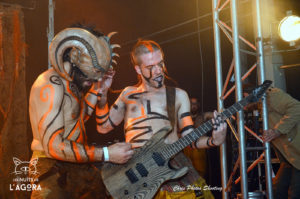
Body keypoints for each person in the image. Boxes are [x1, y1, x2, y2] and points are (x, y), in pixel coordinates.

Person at [96, 39, 227, 198]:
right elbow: (103, 127)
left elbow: (190, 139)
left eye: (160, 64)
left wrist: (214, 141)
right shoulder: (127, 94)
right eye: (151, 67)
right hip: (134, 176)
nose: (158, 71)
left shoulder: (178, 95)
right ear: (138, 69)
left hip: (170, 170)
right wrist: (102, 97)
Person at [28, 26, 133, 199]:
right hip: (50, 165)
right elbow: (53, 147)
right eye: (90, 78)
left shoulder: (72, 86)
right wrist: (107, 153)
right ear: (76, 60)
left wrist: (98, 90)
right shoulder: (51, 84)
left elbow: (77, 119)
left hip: (75, 164)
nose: (93, 81)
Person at [262, 88, 300, 199]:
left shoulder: (270, 96)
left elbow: (297, 107)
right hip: (289, 159)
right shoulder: (259, 106)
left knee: (294, 194)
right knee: (276, 191)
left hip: (296, 154)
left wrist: (277, 130)